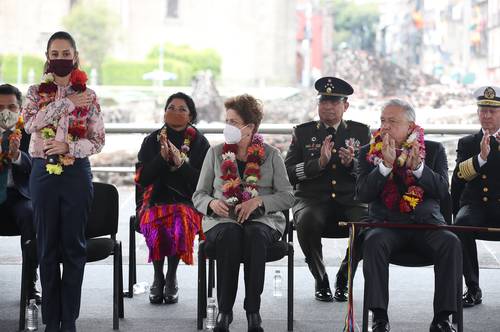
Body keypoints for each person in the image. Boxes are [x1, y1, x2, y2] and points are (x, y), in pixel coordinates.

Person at [22, 31, 105, 332]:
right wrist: (67, 103)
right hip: (43, 174)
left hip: (77, 174)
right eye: (54, 54)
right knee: (46, 248)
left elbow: (98, 140)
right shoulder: (34, 93)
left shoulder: (90, 95)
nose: (60, 59)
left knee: (74, 247)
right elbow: (31, 124)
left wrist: (69, 147)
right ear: (47, 58)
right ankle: (50, 322)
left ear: (75, 55)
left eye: (65, 53)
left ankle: (68, 320)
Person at [357, 99, 462, 332]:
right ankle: (380, 318)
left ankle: (443, 318)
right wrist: (384, 166)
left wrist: (419, 170)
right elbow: (363, 194)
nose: (385, 126)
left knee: (451, 242)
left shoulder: (434, 150)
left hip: (426, 225)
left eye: (392, 122)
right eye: (382, 120)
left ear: (410, 125)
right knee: (372, 242)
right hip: (386, 225)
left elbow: (442, 191)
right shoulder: (367, 152)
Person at [193, 94, 294, 332]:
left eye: (234, 123)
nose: (228, 127)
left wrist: (259, 200)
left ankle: (253, 311)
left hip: (264, 221)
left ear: (251, 127)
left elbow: (288, 196)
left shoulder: (271, 155)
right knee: (230, 234)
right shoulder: (215, 153)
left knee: (255, 235)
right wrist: (211, 204)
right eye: (226, 121)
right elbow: (198, 195)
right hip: (222, 220)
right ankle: (224, 312)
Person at [284, 76, 370, 302]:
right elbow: (288, 173)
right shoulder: (303, 133)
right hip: (312, 199)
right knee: (307, 221)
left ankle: (344, 274)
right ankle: (320, 277)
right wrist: (317, 165)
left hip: (351, 199)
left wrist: (352, 164)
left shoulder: (361, 133)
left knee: (366, 224)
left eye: (334, 102)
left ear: (345, 106)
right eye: (324, 102)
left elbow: (371, 173)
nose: (328, 107)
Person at [135, 92, 210, 304]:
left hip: (187, 202)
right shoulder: (152, 140)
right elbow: (141, 178)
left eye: (182, 109)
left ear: (191, 116)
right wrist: (161, 159)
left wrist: (180, 165)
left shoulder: (199, 142)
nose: (175, 112)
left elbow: (203, 182)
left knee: (180, 217)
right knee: (155, 218)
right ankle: (158, 276)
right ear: (164, 112)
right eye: (171, 107)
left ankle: (171, 276)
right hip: (155, 200)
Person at [451, 86, 500, 308]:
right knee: (461, 223)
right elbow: (460, 176)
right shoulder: (467, 143)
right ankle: (472, 288)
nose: (487, 115)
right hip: (476, 203)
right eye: (483, 110)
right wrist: (481, 157)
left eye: (493, 111)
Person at [0, 84, 40, 303]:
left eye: (11, 106)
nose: (5, 112)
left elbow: (36, 165)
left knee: (31, 215)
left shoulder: (30, 132)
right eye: (0, 107)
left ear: (20, 108)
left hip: (19, 194)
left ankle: (29, 283)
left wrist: (17, 156)